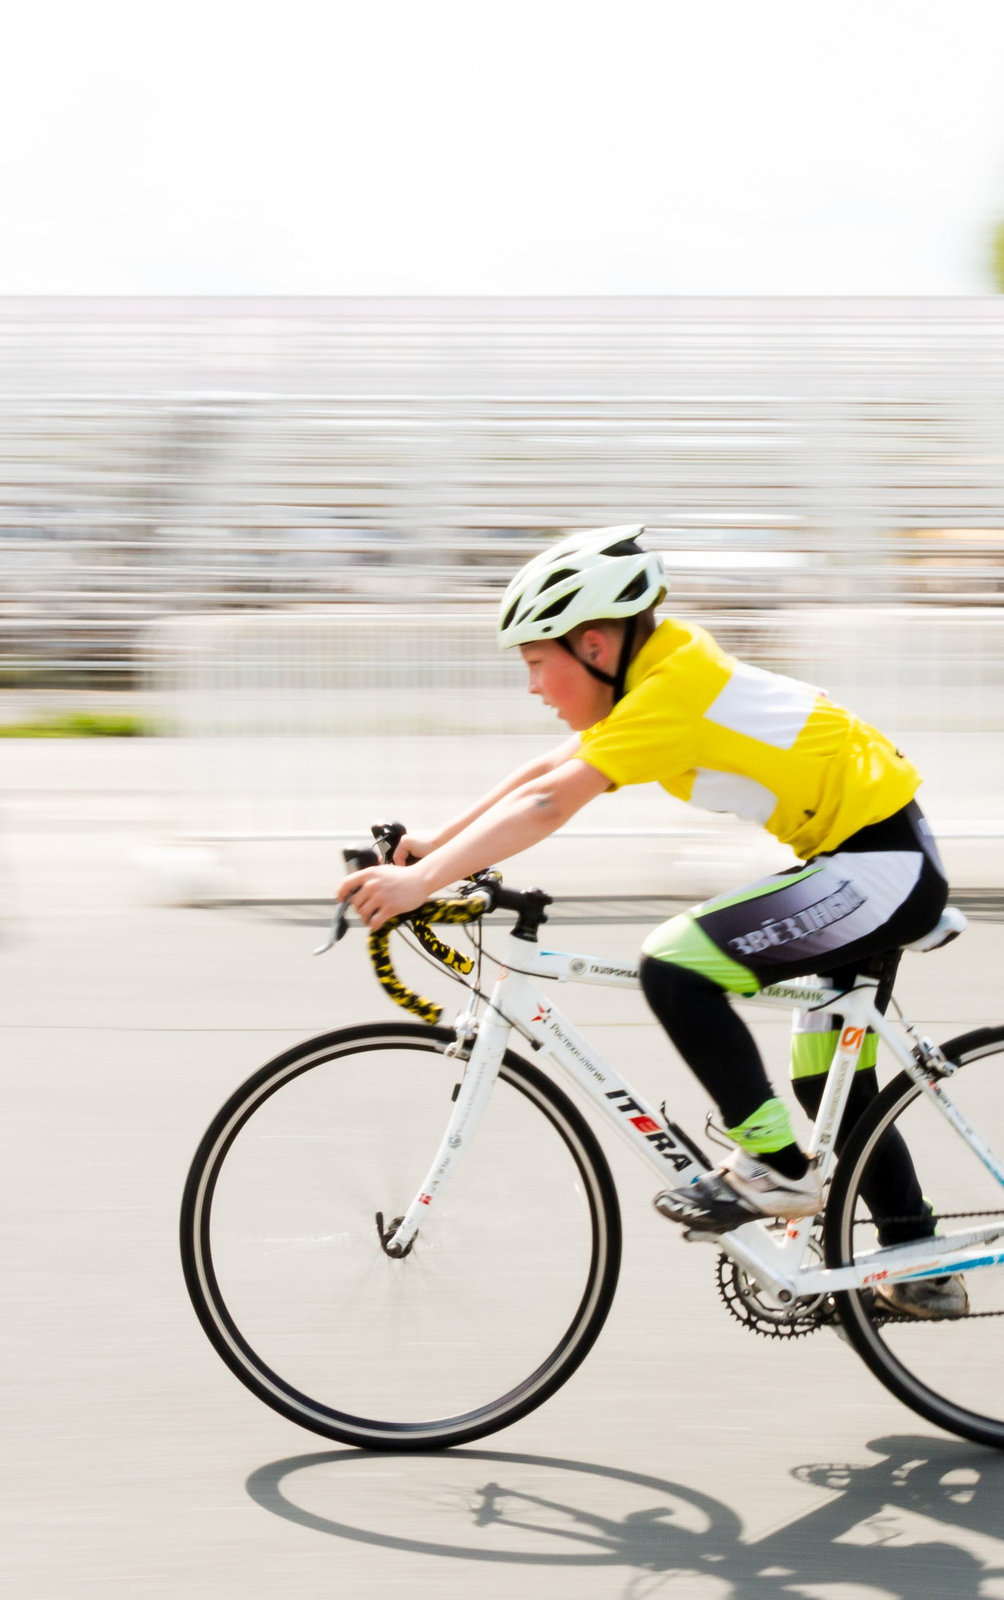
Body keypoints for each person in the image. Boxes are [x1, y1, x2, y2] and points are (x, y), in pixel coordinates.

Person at [338, 527, 965, 1318]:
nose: (533, 685)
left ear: (594, 644)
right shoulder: (661, 673)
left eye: (537, 663)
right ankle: (919, 1258)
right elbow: (548, 770)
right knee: (817, 1073)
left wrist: (420, 880)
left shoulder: (672, 690)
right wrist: (433, 848)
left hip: (880, 866)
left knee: (677, 964)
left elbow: (548, 802)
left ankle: (778, 1168)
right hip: (869, 855)